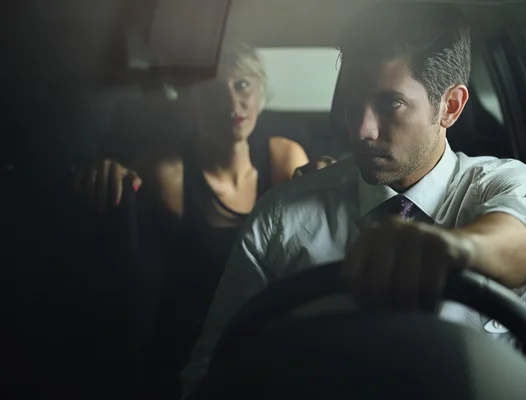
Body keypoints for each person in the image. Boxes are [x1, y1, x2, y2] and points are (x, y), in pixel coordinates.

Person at [180, 2, 526, 395]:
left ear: (450, 106)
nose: (361, 130)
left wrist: (454, 249)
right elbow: (214, 366)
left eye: (389, 104)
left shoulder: (499, 184)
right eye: (351, 100)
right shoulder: (284, 214)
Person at [76, 42, 334, 398]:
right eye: (213, 89)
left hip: (273, 339)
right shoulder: (168, 173)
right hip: (195, 346)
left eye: (242, 85)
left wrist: (335, 181)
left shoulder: (284, 157)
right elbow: (121, 183)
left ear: (260, 92)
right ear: (190, 102)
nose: (231, 103)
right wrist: (106, 173)